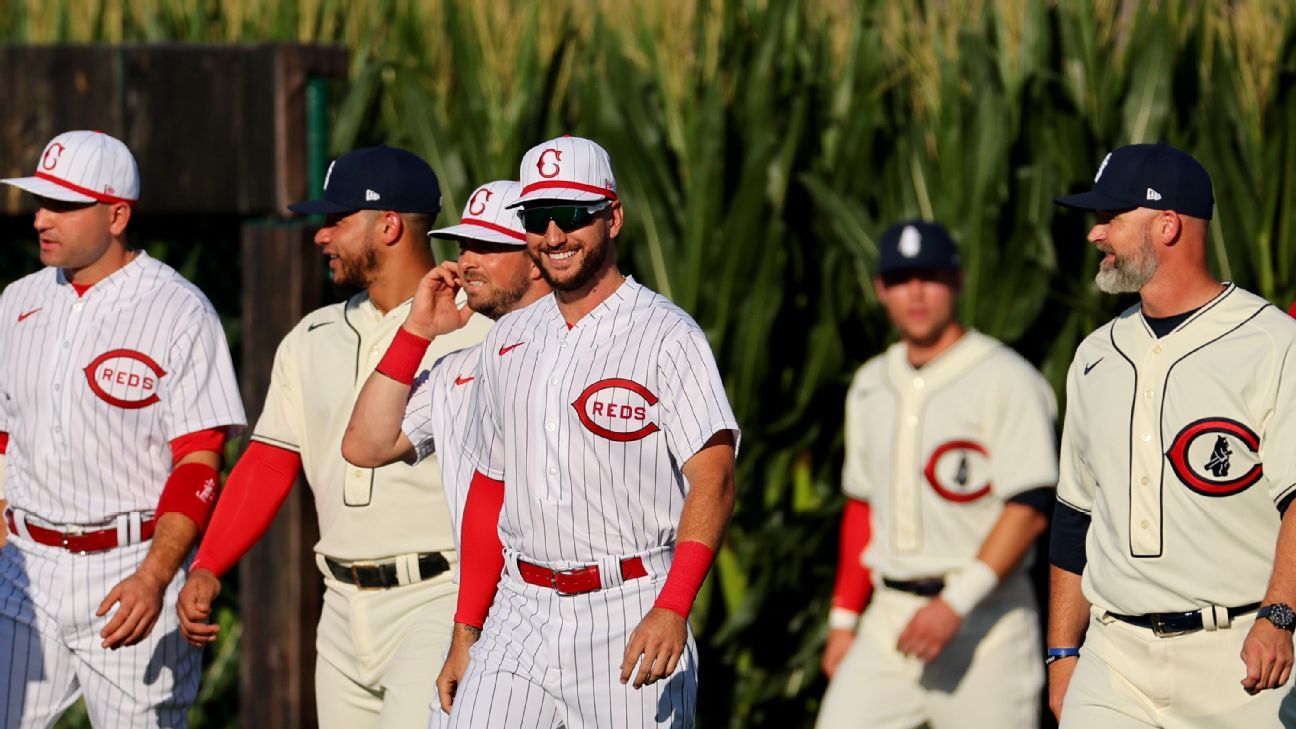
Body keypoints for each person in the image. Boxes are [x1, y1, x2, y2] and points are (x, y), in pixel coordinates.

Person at [373, 135, 740, 728]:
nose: (553, 235)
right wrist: (466, 632)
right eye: (538, 217)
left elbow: (714, 478)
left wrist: (674, 607)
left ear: (612, 216)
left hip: (629, 603)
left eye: (571, 215)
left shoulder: (668, 334)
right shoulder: (506, 342)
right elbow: (489, 489)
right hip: (520, 612)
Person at [175, 146, 491, 729]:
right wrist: (209, 564)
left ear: (389, 224)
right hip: (341, 607)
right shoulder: (310, 335)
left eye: (336, 219)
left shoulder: (477, 333)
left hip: (438, 598)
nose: (321, 236)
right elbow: (268, 462)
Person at [0, 130, 245, 726]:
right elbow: (7, 435)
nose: (41, 218)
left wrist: (155, 575)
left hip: (130, 567)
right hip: (26, 569)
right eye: (39, 202)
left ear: (116, 214)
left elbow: (199, 458)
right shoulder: (17, 300)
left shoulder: (179, 309)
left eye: (62, 205)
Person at [1049, 142, 1296, 728]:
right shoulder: (1093, 357)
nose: (1096, 234)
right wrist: (1063, 654)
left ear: (1166, 225)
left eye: (1111, 218)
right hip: (1114, 663)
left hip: (1239, 657)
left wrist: (1280, 615)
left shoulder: (1272, 343)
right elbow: (1073, 518)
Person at [815, 220, 1056, 729]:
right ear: (881, 288)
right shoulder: (870, 383)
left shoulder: (1006, 377)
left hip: (986, 623)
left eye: (930, 276)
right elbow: (861, 506)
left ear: (958, 281)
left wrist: (955, 603)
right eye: (901, 279)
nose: (916, 293)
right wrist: (843, 622)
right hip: (889, 619)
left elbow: (1030, 509)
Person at [339, 178, 552, 722]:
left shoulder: (591, 350)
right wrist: (416, 330)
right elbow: (365, 445)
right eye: (464, 246)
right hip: (489, 619)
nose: (467, 262)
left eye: (488, 246)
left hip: (591, 608)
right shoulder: (461, 368)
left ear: (535, 258)